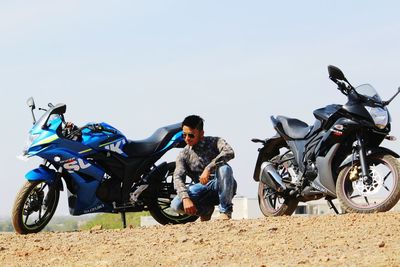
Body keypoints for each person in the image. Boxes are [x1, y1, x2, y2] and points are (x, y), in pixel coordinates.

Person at [170, 115, 237, 221]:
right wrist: (185, 198)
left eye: (191, 135)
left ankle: (225, 212)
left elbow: (229, 152)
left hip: (222, 184)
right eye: (184, 135)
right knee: (176, 205)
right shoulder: (183, 154)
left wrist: (209, 168)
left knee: (225, 169)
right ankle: (206, 210)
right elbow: (178, 177)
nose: (187, 139)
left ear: (201, 134)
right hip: (201, 190)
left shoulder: (215, 141)